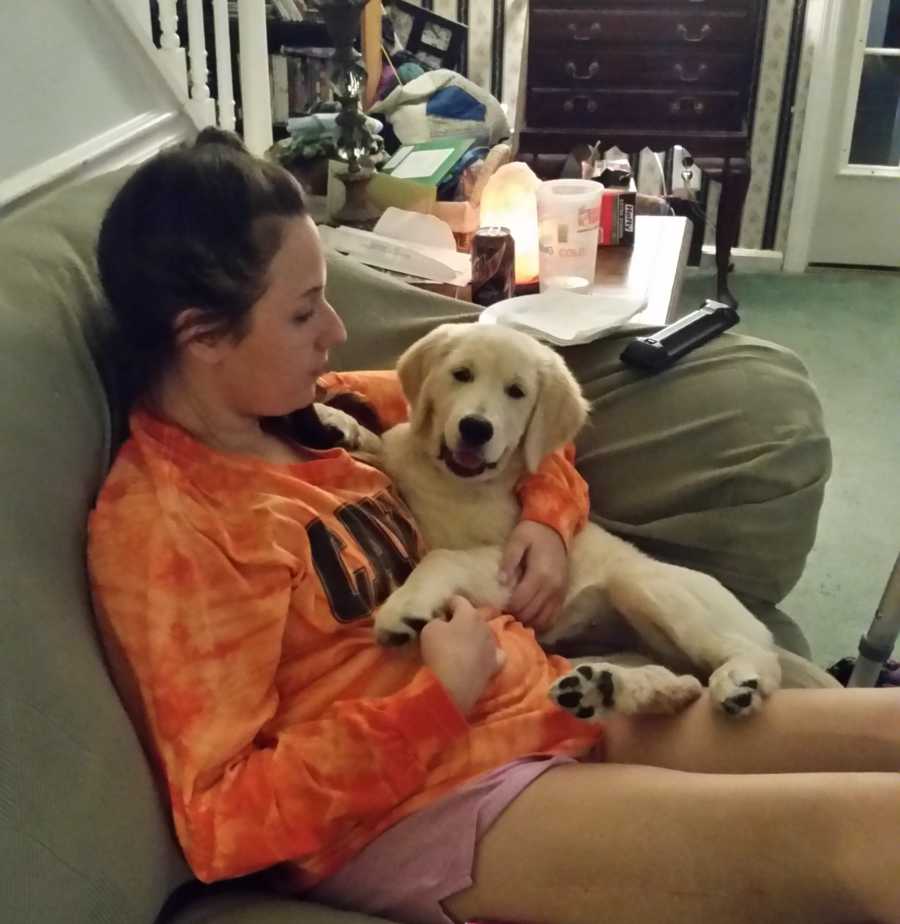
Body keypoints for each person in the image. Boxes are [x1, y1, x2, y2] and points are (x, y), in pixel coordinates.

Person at [88, 129, 900, 924]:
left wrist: (546, 524)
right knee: (873, 842)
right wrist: (436, 697)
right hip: (425, 804)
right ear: (201, 337)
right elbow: (222, 822)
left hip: (542, 701)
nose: (335, 330)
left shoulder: (322, 405)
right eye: (305, 313)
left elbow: (514, 413)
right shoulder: (175, 530)